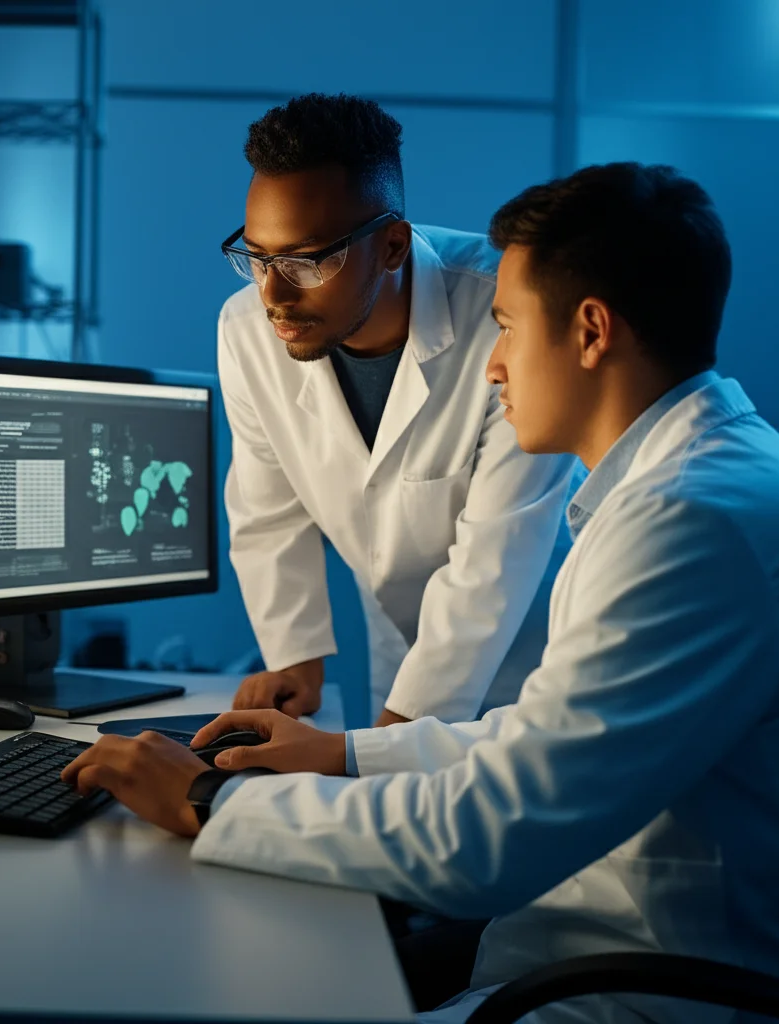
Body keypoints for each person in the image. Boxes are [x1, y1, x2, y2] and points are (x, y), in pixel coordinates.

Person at [63, 161, 779, 1022]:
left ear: (592, 332)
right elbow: (534, 741)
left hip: (645, 985)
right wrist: (337, 755)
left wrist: (208, 800)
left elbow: (488, 837)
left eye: (509, 326)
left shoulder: (688, 524)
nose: (492, 366)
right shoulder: (698, 479)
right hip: (602, 933)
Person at [217, 93, 575, 726]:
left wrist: (388, 742)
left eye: (307, 260)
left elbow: (497, 556)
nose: (273, 294)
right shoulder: (248, 327)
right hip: (402, 644)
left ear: (391, 246)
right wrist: (295, 656)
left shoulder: (506, 314)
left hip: (535, 645)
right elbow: (264, 503)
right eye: (257, 256)